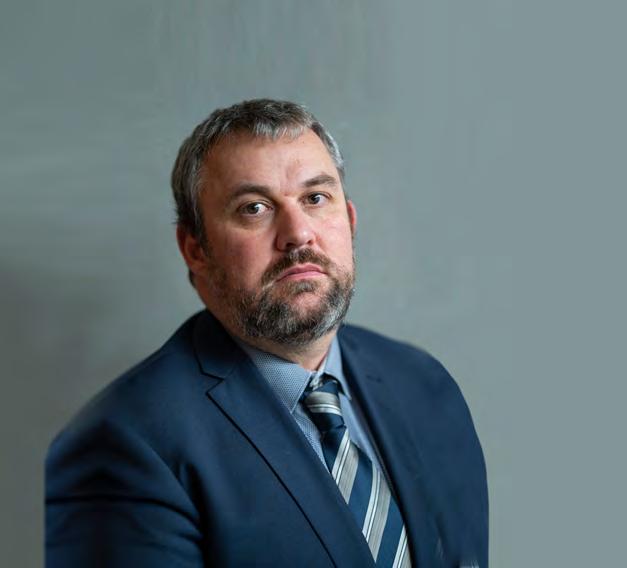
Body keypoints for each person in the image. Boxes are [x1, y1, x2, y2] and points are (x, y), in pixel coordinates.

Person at [46, 99, 488, 567]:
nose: (298, 233)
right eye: (254, 208)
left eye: (315, 198)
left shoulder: (424, 383)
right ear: (195, 249)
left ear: (349, 220)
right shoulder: (122, 443)